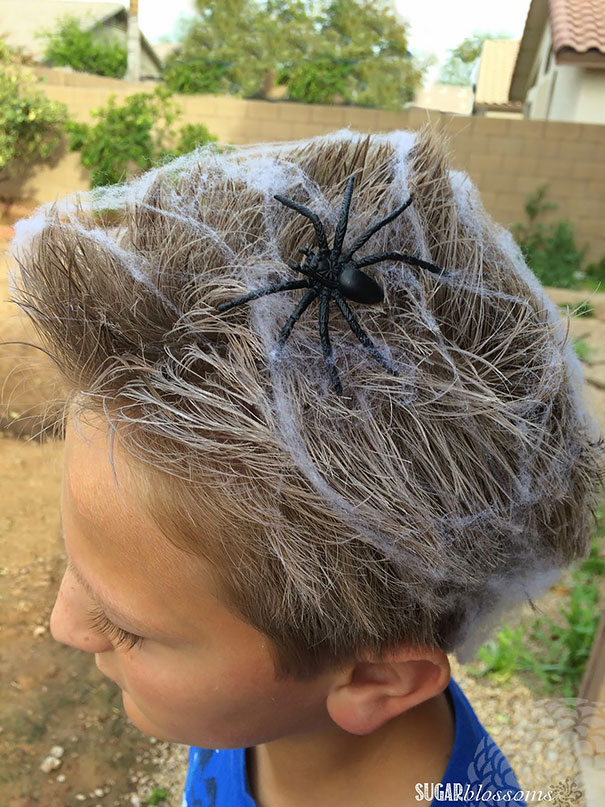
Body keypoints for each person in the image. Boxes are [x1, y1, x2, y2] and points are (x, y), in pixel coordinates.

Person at [9, 127, 602, 807]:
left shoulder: (242, 699)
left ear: (374, 681)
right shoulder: (247, 711)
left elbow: (317, 303)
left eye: (128, 628)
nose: (63, 624)